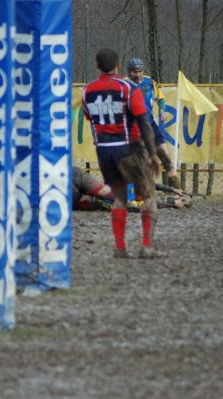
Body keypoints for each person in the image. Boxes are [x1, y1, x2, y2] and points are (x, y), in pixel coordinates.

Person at [82, 48, 163, 258]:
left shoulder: (87, 91)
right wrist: (153, 153)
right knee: (148, 195)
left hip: (104, 151)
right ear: (119, 65)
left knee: (119, 196)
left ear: (96, 66)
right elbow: (144, 121)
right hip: (128, 147)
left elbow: (91, 119)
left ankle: (120, 247)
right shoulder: (128, 88)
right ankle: (147, 247)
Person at [124, 58, 180, 189]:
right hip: (132, 126)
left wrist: (162, 111)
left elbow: (160, 99)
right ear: (129, 72)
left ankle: (176, 185)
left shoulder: (149, 82)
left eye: (140, 71)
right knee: (140, 159)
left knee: (164, 153)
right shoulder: (123, 84)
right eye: (134, 72)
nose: (137, 75)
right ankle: (137, 188)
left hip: (149, 123)